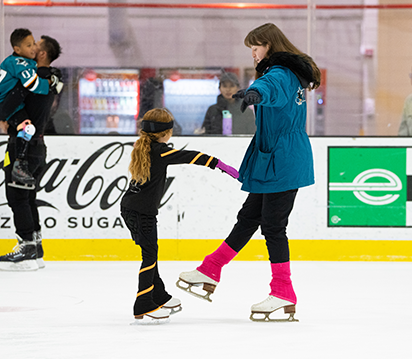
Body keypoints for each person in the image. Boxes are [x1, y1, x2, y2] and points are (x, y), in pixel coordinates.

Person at [177, 23, 320, 322]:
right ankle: (209, 270)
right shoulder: (288, 72)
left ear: (268, 44)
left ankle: (283, 292)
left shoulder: (280, 73)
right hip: (276, 156)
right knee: (249, 217)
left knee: (273, 226)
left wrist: (254, 93)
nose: (253, 54)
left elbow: (268, 89)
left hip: (281, 159)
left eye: (255, 47)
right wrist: (256, 92)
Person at [120, 108, 239, 325]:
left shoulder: (144, 146)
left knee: (150, 253)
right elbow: (190, 156)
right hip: (141, 213)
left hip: (132, 209)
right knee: (149, 256)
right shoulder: (160, 151)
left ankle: (159, 296)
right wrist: (218, 164)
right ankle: (143, 304)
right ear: (166, 132)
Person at [0, 35, 63, 272]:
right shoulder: (52, 80)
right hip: (37, 146)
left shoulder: (34, 81)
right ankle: (35, 247)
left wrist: (3, 117)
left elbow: (4, 108)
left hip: (22, 147)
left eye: (35, 46)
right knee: (27, 197)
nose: (31, 48)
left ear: (42, 54)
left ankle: (26, 247)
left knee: (17, 197)